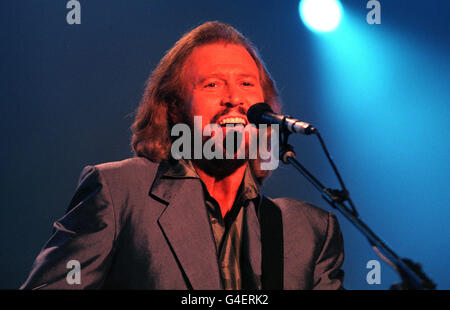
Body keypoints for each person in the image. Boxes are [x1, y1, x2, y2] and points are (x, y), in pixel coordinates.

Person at [21, 21, 344, 290]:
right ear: (174, 108)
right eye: (212, 85)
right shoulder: (119, 192)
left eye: (247, 83)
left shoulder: (309, 229)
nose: (234, 99)